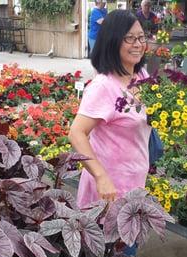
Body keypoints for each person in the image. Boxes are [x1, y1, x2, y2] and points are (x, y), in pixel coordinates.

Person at [69, 9, 150, 209]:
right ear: (112, 42)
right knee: (113, 240)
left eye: (141, 37)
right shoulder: (103, 86)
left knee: (132, 238)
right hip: (109, 191)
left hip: (135, 182)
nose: (138, 44)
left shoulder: (141, 77)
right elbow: (76, 133)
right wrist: (100, 176)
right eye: (129, 38)